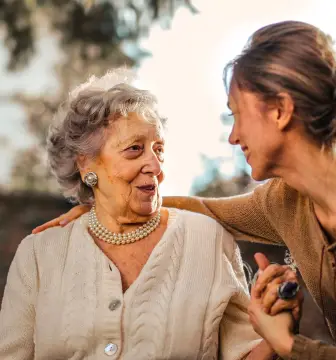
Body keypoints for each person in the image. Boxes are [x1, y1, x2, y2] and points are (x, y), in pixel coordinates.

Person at [35, 20, 336, 359]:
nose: (233, 136)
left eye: (237, 115)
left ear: (280, 111)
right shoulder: (284, 201)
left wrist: (289, 345)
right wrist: (106, 205)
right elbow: (206, 210)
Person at [0, 69, 297, 360]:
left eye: (159, 149)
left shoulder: (207, 240)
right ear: (87, 164)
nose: (155, 166)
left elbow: (243, 353)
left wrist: (274, 336)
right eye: (134, 149)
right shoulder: (38, 254)